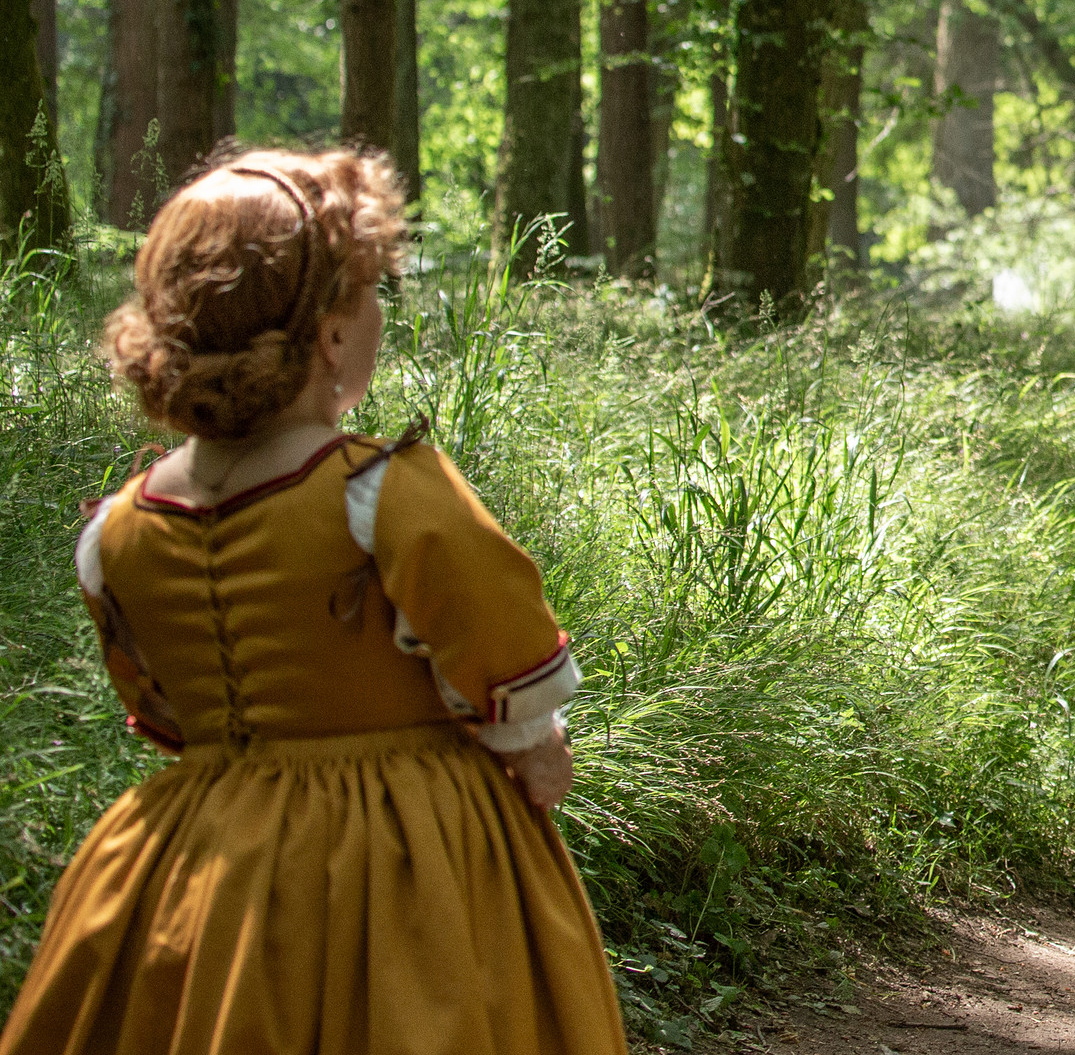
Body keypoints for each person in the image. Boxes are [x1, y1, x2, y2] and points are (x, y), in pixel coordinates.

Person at [0, 148, 630, 1055]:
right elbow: (501, 649)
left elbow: (164, 712)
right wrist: (536, 746)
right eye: (371, 296)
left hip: (200, 868)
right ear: (333, 333)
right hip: (406, 857)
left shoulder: (116, 534)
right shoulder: (386, 494)